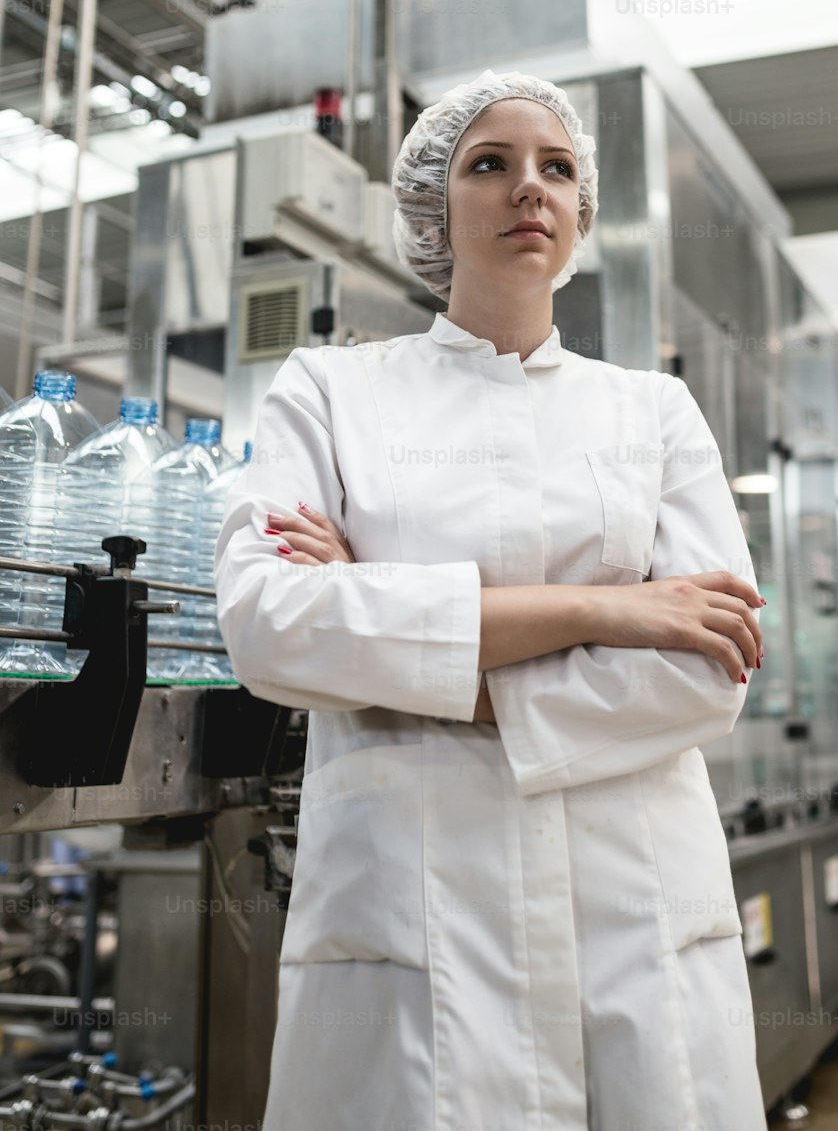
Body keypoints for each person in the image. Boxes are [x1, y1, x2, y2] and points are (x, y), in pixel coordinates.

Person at [214, 67, 769, 1130]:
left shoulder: (653, 412)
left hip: (633, 917)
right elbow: (270, 626)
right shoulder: (331, 391)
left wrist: (387, 644)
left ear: (581, 211)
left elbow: (705, 672)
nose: (530, 188)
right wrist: (601, 613)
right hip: (410, 921)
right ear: (433, 205)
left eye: (556, 168)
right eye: (490, 165)